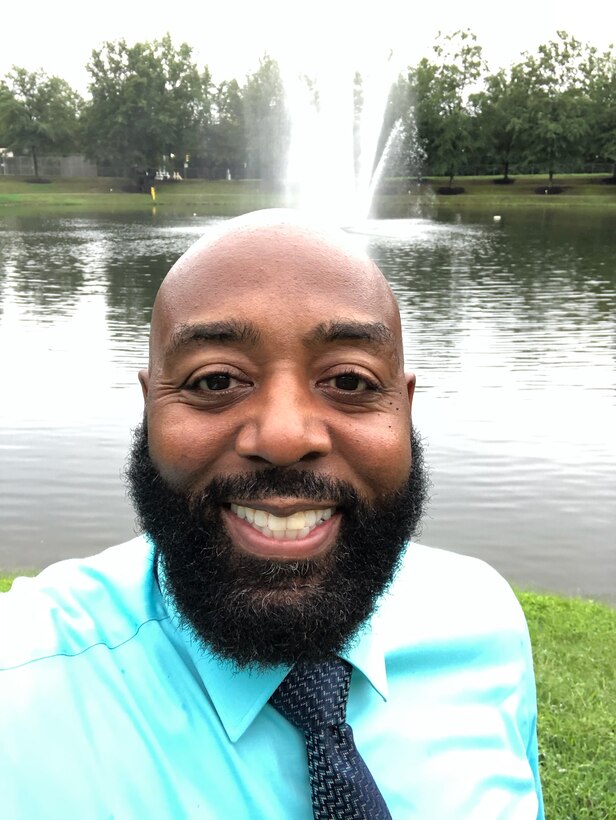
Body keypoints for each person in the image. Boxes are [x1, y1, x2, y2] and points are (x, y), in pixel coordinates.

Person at [0, 210, 544, 818]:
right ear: (150, 405)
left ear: (405, 407)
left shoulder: (485, 624)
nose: (284, 435)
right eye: (214, 381)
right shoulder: (18, 690)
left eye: (348, 379)